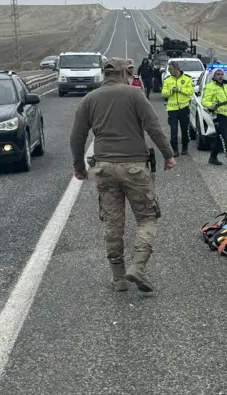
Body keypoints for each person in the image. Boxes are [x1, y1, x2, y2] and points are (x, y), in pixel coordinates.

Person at [70, 57, 176, 293]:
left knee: (113, 223)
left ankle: (118, 278)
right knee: (147, 218)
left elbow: (77, 137)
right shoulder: (135, 94)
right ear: (124, 73)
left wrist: (79, 166)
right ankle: (137, 267)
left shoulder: (89, 99)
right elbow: (153, 126)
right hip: (135, 167)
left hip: (104, 168)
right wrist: (168, 155)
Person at [201, 67, 227, 166]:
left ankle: (213, 157)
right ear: (213, 76)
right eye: (218, 74)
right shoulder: (210, 87)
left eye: (221, 74)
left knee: (220, 138)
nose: (220, 76)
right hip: (218, 116)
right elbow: (204, 101)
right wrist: (212, 105)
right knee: (226, 139)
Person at [161, 62, 194, 157]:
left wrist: (180, 89)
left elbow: (190, 91)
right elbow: (164, 93)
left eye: (170, 69)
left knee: (184, 130)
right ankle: (174, 149)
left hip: (184, 108)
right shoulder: (167, 80)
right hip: (172, 109)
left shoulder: (187, 79)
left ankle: (185, 147)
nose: (169, 71)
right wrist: (172, 91)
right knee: (173, 130)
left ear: (176, 69)